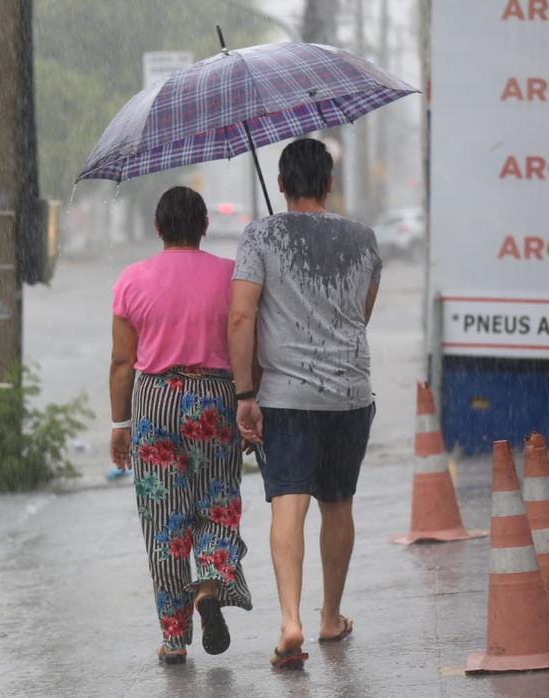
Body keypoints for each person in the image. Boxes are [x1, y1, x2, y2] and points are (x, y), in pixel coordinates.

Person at [227, 138, 381, 670]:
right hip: (348, 394)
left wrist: (245, 393)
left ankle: (290, 620)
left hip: (285, 399)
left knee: (287, 506)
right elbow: (361, 314)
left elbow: (242, 317)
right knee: (338, 503)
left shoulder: (260, 236)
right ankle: (330, 616)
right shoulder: (363, 239)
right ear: (329, 184)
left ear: (283, 185)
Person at [110, 186, 251, 665]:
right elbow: (246, 343)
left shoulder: (132, 280)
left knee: (165, 522)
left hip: (154, 401)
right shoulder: (231, 276)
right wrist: (251, 403)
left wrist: (119, 424)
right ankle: (208, 587)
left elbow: (121, 362)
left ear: (157, 227)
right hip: (215, 396)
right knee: (218, 503)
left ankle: (174, 637)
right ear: (205, 226)